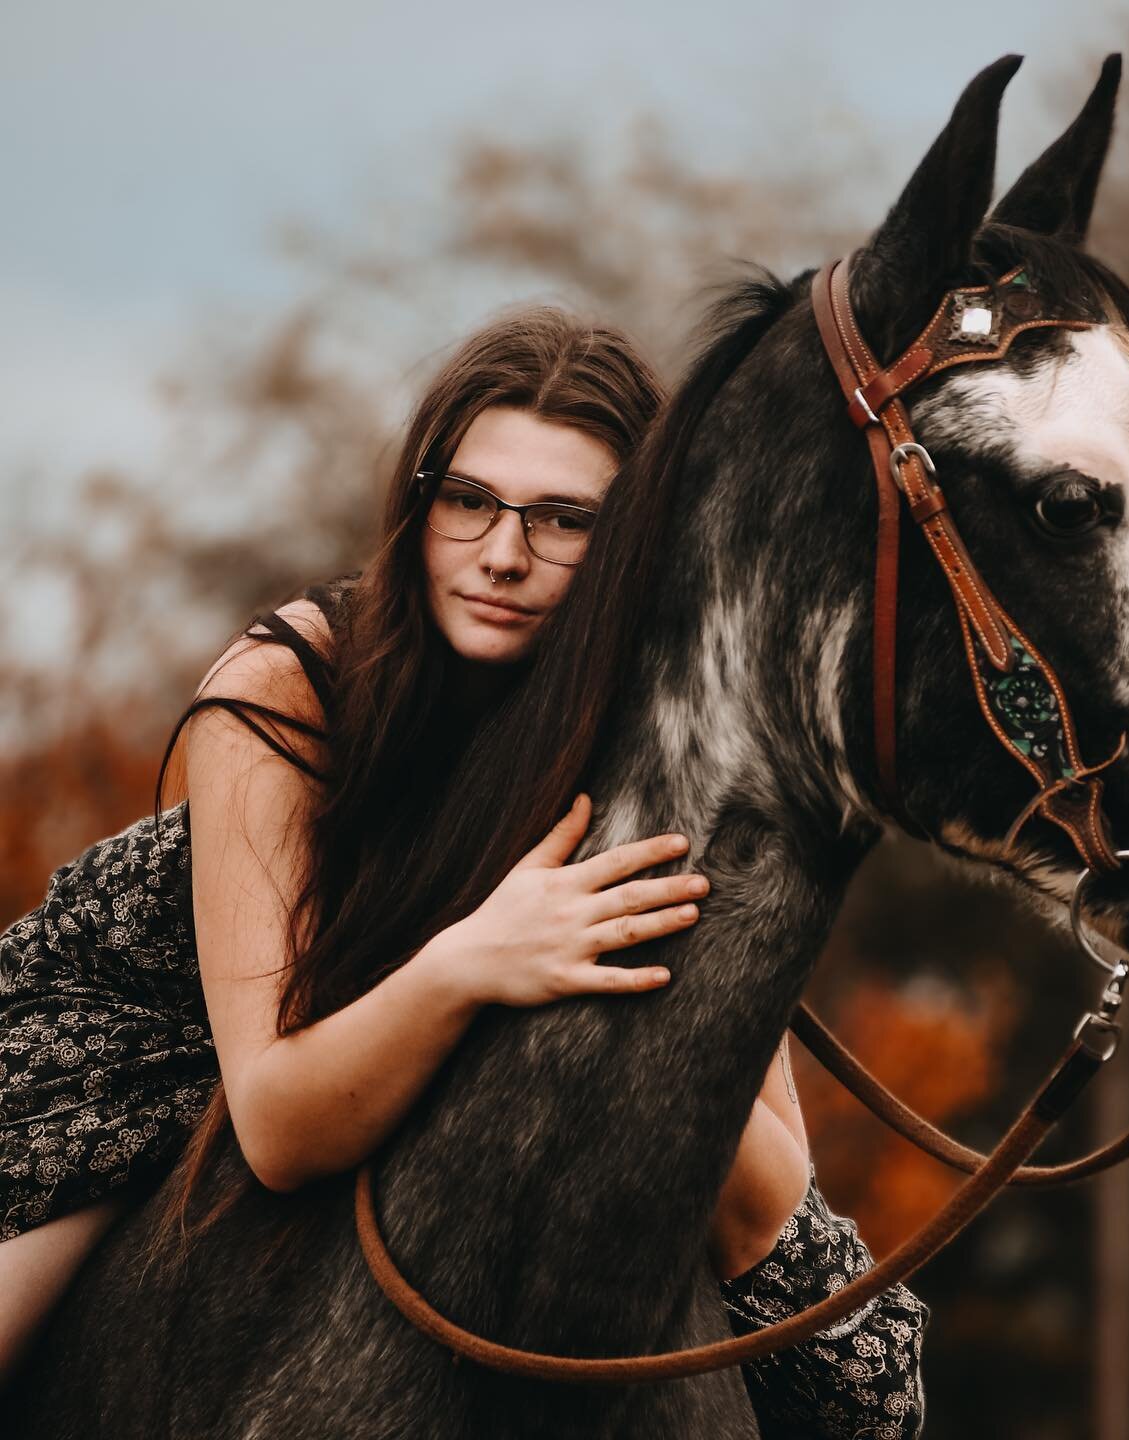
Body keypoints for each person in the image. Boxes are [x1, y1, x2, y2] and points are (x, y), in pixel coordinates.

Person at [0, 306, 928, 1433]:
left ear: (637, 539)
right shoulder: (287, 681)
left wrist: (659, 1005)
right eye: (469, 501)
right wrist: (476, 963)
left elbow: (756, 1195)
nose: (501, 554)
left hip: (456, 1028)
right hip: (153, 1035)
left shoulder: (667, 726)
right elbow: (282, 1129)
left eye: (566, 519)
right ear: (419, 502)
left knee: (867, 1384)